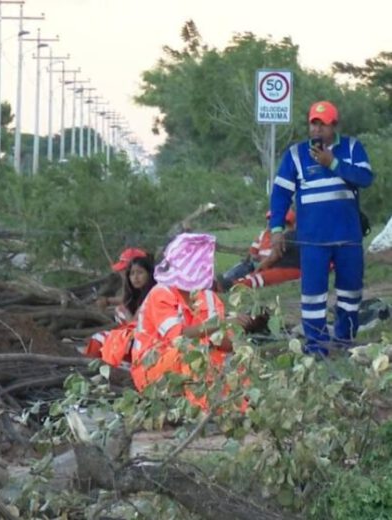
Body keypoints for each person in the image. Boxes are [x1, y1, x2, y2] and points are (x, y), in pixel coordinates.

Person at [269, 101, 373, 355]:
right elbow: (281, 194)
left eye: (323, 125)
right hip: (313, 241)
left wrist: (333, 163)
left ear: (334, 126)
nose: (317, 130)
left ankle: (345, 341)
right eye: (313, 124)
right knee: (313, 295)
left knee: (350, 292)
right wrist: (276, 230)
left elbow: (366, 178)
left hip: (348, 238)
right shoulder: (295, 155)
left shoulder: (351, 148)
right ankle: (316, 347)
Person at [132, 233, 255, 409]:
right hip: (152, 368)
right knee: (191, 352)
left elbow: (219, 341)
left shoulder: (209, 297)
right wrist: (223, 323)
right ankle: (200, 409)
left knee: (237, 355)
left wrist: (239, 345)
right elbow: (178, 337)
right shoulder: (161, 294)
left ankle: (240, 407)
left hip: (191, 365)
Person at [85, 249, 156, 367]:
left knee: (99, 338)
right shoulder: (138, 291)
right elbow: (126, 299)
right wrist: (109, 301)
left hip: (146, 343)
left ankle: (93, 367)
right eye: (131, 273)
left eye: (139, 272)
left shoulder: (152, 294)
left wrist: (124, 311)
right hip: (138, 339)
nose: (133, 277)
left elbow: (135, 323)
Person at [218, 210, 300, 291]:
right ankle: (229, 282)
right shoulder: (293, 235)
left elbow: (272, 257)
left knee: (259, 278)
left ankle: (230, 285)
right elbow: (254, 252)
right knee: (253, 274)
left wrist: (258, 269)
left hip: (288, 269)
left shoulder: (286, 236)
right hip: (282, 267)